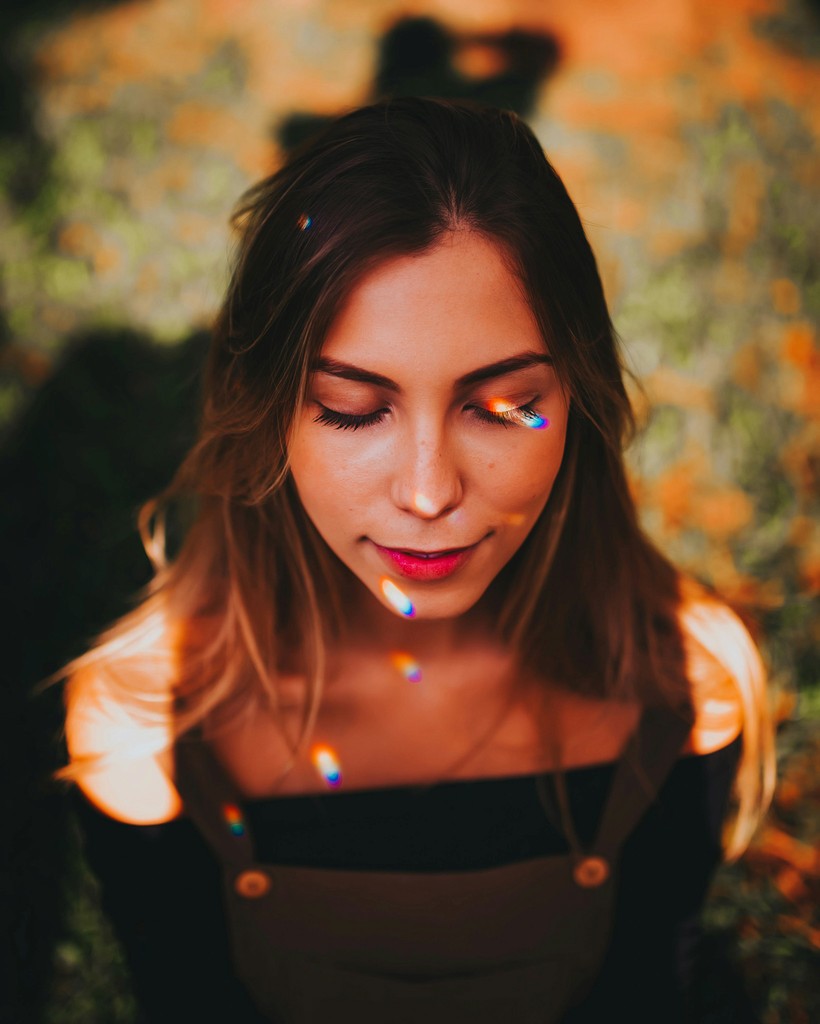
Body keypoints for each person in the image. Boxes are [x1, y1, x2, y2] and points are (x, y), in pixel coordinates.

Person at [61, 96, 775, 1023]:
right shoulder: (150, 718)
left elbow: (646, 992)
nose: (430, 493)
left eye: (506, 405)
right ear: (267, 411)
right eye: (352, 409)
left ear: (580, 396)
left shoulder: (682, 679)